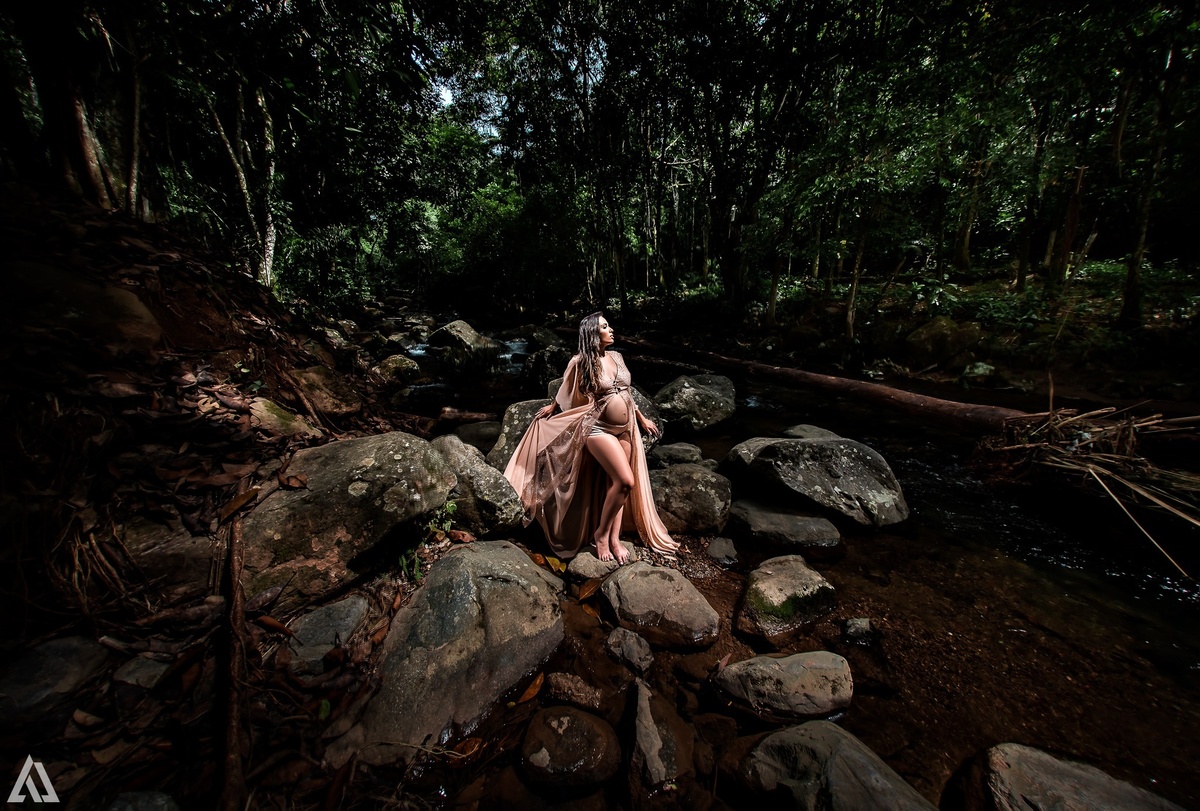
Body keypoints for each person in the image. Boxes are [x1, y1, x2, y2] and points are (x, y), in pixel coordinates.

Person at [504, 313, 678, 563]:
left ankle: (614, 539)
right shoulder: (580, 362)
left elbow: (627, 391)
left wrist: (640, 418)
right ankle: (600, 534)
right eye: (605, 327)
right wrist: (553, 408)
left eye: (608, 326)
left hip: (626, 428)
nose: (611, 330)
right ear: (592, 334)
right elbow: (567, 389)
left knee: (614, 485)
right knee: (625, 481)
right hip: (598, 428)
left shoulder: (617, 357)